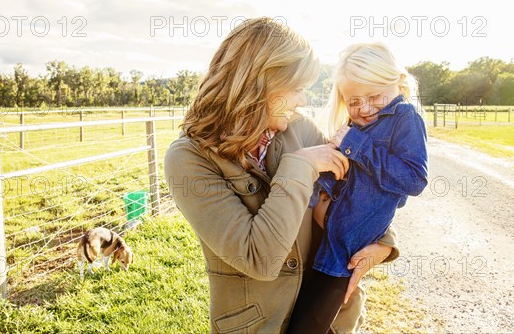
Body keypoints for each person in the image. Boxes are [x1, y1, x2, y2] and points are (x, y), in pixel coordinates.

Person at [164, 18, 400, 333]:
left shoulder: (301, 129)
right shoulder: (188, 159)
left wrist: (384, 242)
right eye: (298, 89)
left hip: (329, 317)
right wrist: (300, 167)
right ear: (262, 84)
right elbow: (259, 258)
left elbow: (358, 193)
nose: (303, 100)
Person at [287, 43, 429, 333]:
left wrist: (358, 145)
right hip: (319, 237)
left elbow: (414, 179)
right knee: (296, 314)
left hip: (344, 251)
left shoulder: (406, 117)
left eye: (374, 97)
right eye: (354, 101)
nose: (364, 108)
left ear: (397, 82)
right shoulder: (359, 124)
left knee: (310, 325)